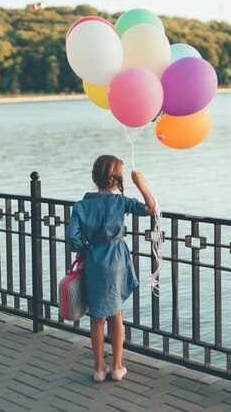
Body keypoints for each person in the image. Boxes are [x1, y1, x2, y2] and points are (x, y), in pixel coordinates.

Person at [66, 155, 155, 382]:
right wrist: (140, 183)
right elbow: (151, 209)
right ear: (117, 179)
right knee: (116, 313)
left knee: (97, 315)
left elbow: (72, 238)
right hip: (116, 258)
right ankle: (116, 367)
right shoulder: (121, 202)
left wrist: (83, 249)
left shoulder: (81, 206)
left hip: (94, 258)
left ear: (94, 177)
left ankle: (98, 369)